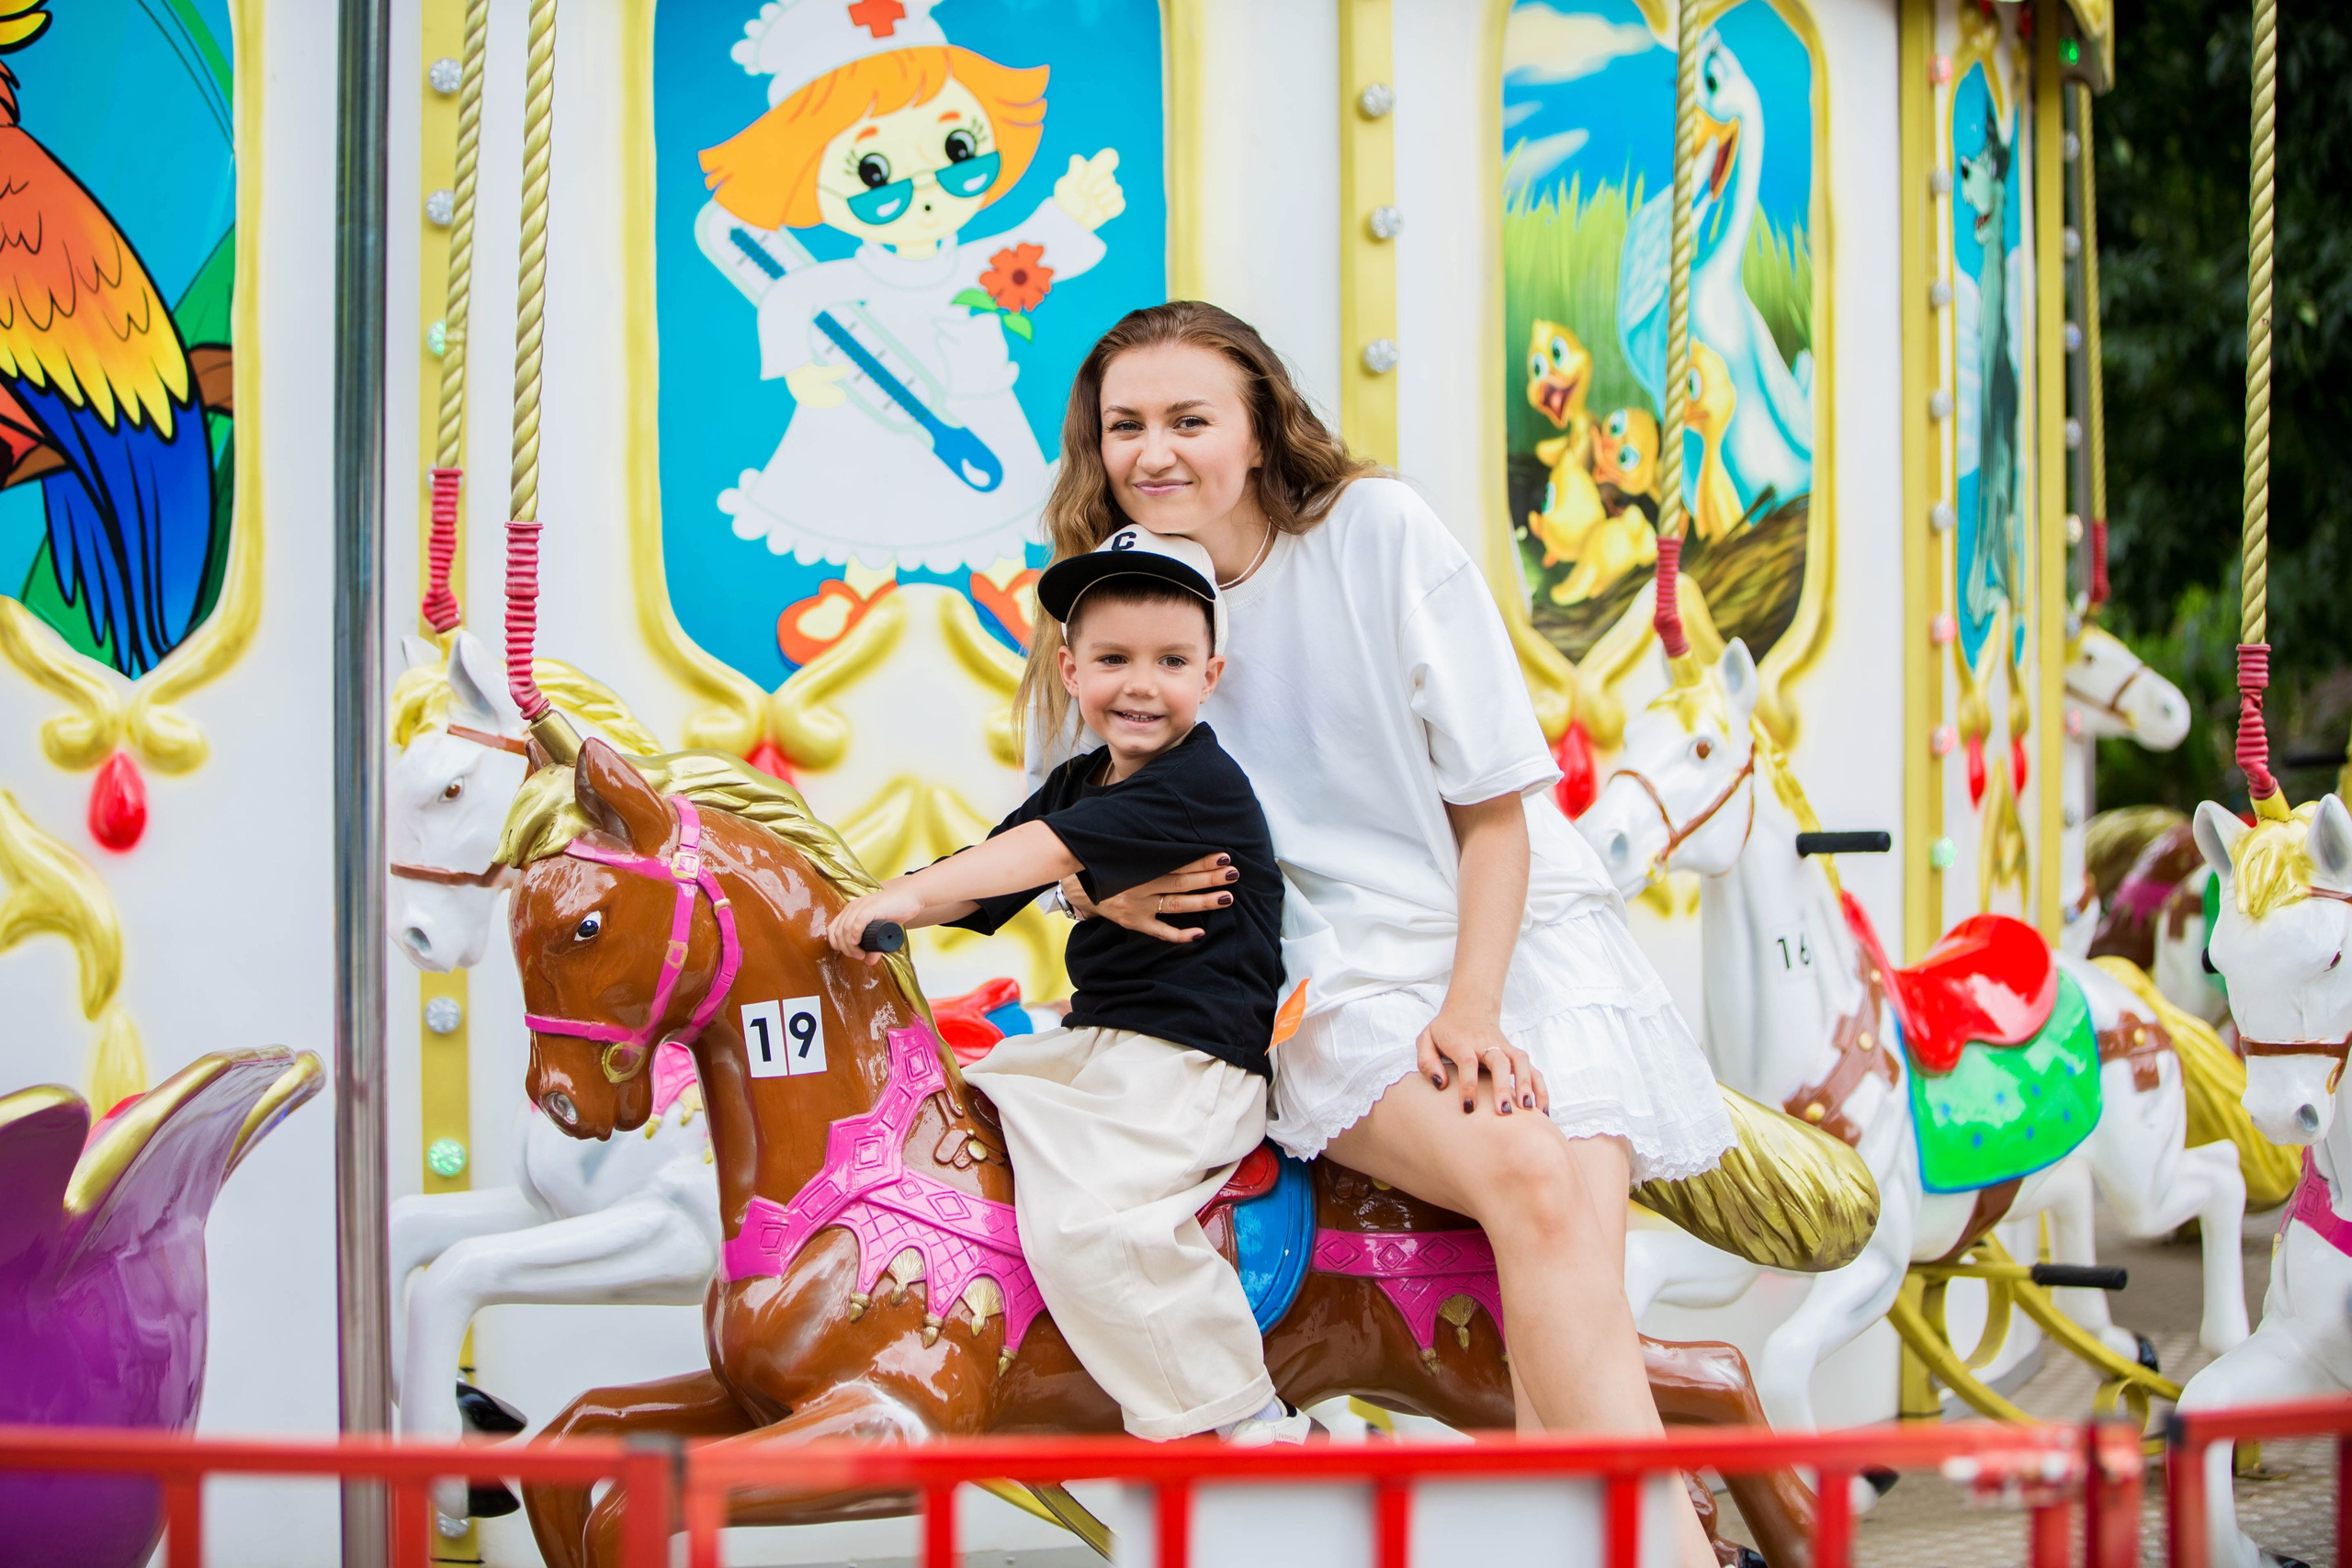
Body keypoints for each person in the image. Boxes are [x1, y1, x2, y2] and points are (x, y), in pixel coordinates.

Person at [1018, 301, 1736, 1564]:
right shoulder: (1110, 604)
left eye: (1192, 418)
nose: (1155, 450)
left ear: (1258, 430)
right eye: (1125, 424)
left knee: (1568, 1215)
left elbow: (1499, 817)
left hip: (1506, 925)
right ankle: (1674, 1540)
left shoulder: (1378, 537)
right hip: (1315, 970)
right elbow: (1068, 843)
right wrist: (1101, 894)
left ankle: (1634, 1540)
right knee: (1528, 1173)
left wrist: (1471, 1005)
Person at [827, 528, 1304, 1445]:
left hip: (1191, 1065)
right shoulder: (1083, 778)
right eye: (1114, 658)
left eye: (1170, 661)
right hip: (1106, 1047)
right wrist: (883, 912)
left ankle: (1240, 1411)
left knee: (1095, 1221)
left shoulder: (1198, 782)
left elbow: (1035, 855)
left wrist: (907, 892)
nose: (1139, 684)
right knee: (964, 1110)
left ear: (1208, 678)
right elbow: (994, 871)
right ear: (1070, 667)